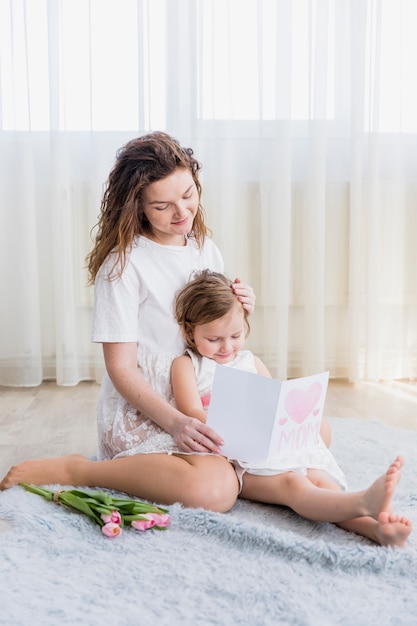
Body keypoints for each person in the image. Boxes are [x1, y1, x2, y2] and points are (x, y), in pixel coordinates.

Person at [0, 131, 258, 512]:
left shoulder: (205, 249)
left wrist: (240, 308)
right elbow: (120, 369)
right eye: (162, 206)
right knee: (215, 491)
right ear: (137, 206)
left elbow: (209, 328)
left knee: (317, 433)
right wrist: (174, 423)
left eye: (188, 195)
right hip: (148, 410)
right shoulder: (123, 266)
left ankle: (235, 467)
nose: (182, 212)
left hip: (199, 392)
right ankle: (80, 470)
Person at [170, 270, 412, 547]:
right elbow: (190, 411)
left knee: (320, 481)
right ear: (190, 331)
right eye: (214, 340)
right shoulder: (188, 365)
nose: (227, 347)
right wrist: (238, 423)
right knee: (295, 486)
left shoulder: (250, 361)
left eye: (236, 335)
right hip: (239, 462)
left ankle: (376, 529)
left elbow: (272, 399)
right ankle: (364, 501)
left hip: (274, 447)